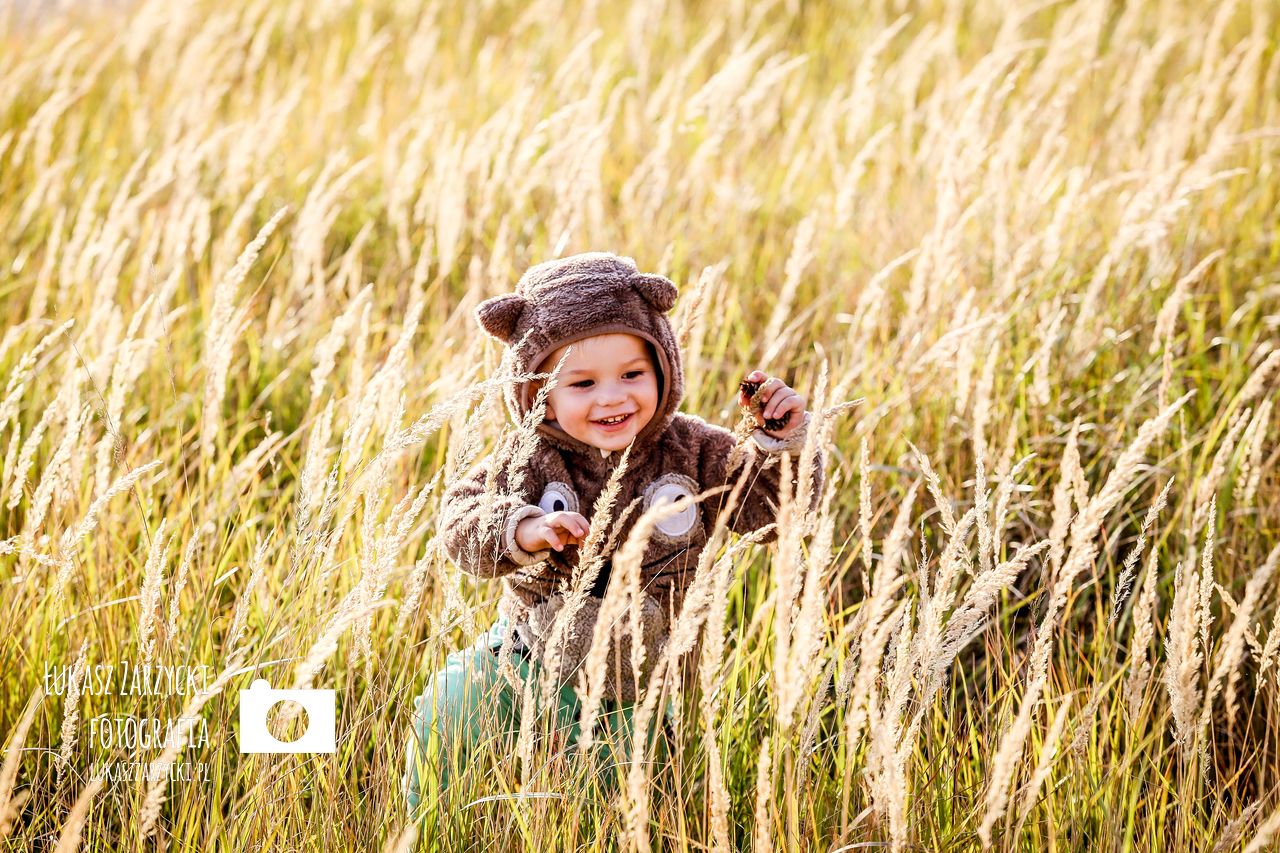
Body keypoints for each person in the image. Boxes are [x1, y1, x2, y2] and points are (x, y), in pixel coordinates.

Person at [403, 251, 825, 818]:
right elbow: (461, 517)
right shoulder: (528, 455)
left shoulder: (693, 449)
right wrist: (523, 527)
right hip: (526, 656)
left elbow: (772, 515)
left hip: (645, 681)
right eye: (582, 383)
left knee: (620, 796)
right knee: (450, 712)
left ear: (663, 367)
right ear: (537, 394)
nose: (612, 397)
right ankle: (436, 821)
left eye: (632, 374)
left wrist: (778, 446)